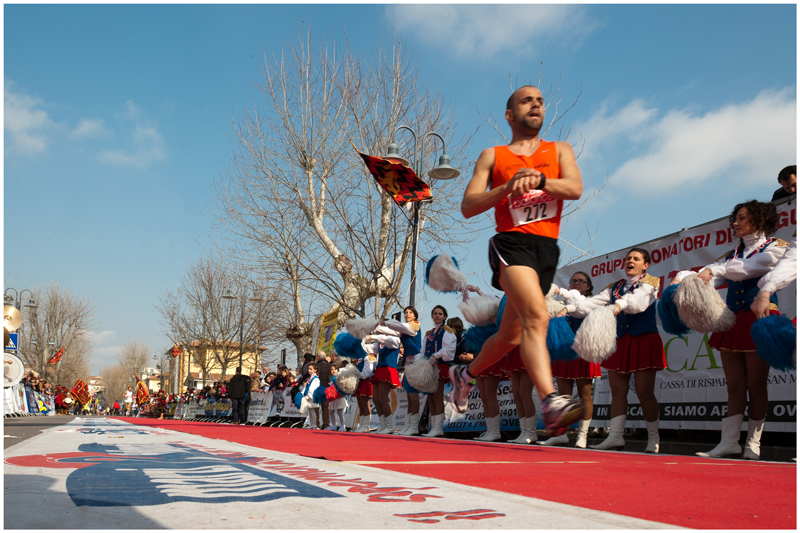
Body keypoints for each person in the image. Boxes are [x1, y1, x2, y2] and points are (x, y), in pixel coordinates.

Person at [449, 85, 585, 437]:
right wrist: (507, 188)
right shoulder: (492, 156)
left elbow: (574, 188)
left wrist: (541, 180)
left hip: (546, 249)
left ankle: (465, 375)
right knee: (537, 317)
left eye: (540, 101)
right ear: (510, 115)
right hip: (510, 244)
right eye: (527, 100)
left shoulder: (560, 150)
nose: (536, 105)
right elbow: (468, 206)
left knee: (510, 335)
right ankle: (552, 401)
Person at [672, 200, 787, 459]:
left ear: (759, 219)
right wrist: (686, 278)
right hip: (732, 320)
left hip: (760, 318)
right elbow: (714, 274)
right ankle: (729, 442)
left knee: (756, 384)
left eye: (742, 218)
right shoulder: (733, 254)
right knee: (734, 386)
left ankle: (753, 444)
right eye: (735, 218)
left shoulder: (777, 248)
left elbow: (750, 268)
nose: (735, 222)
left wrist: (712, 269)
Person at [568, 248, 664, 452]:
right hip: (619, 341)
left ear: (645, 265)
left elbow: (636, 303)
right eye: (628, 258)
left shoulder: (650, 283)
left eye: (636, 259)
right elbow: (588, 305)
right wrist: (566, 309)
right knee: (617, 391)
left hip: (642, 339)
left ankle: (654, 438)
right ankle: (616, 436)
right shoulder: (615, 287)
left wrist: (617, 306)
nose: (630, 261)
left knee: (644, 392)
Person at [541, 271, 601, 448]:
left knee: (584, 394)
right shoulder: (560, 305)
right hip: (563, 351)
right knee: (563, 395)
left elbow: (581, 308)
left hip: (583, 350)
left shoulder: (590, 301)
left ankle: (582, 435)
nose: (576, 283)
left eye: (581, 281)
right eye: (573, 280)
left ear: (588, 286)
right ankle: (562, 434)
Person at [383, 306, 423, 435]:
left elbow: (398, 327)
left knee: (413, 395)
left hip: (417, 362)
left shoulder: (414, 326)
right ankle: (408, 425)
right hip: (408, 363)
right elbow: (393, 330)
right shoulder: (404, 328)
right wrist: (378, 326)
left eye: (410, 313)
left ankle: (414, 426)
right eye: (406, 313)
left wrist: (387, 322)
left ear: (415, 316)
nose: (407, 314)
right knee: (409, 396)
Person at [420, 305, 457, 438]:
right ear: (432, 316)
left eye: (440, 314)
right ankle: (434, 427)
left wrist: (437, 355)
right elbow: (423, 352)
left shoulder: (448, 332)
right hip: (429, 367)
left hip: (440, 366)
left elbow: (449, 350)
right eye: (435, 313)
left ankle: (438, 428)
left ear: (445, 316)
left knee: (437, 396)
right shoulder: (428, 333)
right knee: (430, 397)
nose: (437, 315)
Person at [366, 329, 403, 434]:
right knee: (376, 400)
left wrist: (372, 336)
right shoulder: (380, 343)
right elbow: (368, 348)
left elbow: (387, 340)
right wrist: (358, 341)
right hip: (380, 370)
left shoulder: (395, 339)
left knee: (382, 399)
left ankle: (390, 426)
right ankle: (383, 426)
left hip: (388, 370)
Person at [353, 349, 377, 432]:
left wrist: (357, 374)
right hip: (360, 381)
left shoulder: (369, 356)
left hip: (366, 380)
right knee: (360, 404)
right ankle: (362, 425)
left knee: (365, 403)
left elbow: (367, 372)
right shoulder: (360, 357)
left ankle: (366, 426)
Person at [325, 361, 349, 431]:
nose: (333, 371)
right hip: (333, 398)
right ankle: (333, 425)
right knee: (331, 411)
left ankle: (342, 426)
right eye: (331, 370)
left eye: (334, 369)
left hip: (339, 396)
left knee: (339, 412)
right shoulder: (331, 378)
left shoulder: (339, 376)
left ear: (337, 370)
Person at [316, 351, 333, 430]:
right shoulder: (330, 366)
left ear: (318, 357)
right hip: (327, 387)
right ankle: (326, 424)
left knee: (316, 406)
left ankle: (316, 424)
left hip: (317, 388)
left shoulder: (316, 366)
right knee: (325, 407)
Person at [303, 363, 321, 429]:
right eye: (308, 369)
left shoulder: (315, 378)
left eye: (311, 369)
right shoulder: (310, 378)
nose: (309, 370)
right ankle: (311, 424)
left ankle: (314, 425)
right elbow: (307, 387)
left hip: (312, 396)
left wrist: (310, 395)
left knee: (313, 410)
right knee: (310, 410)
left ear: (315, 370)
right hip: (309, 396)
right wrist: (303, 393)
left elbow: (313, 388)